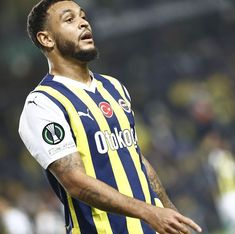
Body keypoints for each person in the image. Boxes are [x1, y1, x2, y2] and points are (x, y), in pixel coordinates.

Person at [18, 0, 202, 233]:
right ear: (46, 39)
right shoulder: (43, 103)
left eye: (83, 16)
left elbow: (136, 159)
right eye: (69, 19)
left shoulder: (114, 87)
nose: (83, 22)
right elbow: (74, 181)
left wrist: (170, 212)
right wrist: (150, 212)